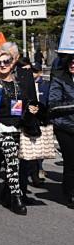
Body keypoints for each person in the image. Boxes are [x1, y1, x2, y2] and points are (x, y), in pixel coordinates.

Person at [0, 45, 39, 215]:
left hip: (17, 127)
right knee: (12, 158)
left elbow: (24, 105)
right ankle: (16, 198)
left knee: (15, 162)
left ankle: (7, 193)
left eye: (6, 61)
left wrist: (31, 111)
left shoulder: (19, 84)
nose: (3, 65)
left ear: (12, 63)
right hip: (0, 129)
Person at [47, 55, 74, 208]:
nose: (73, 64)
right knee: (71, 162)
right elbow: (53, 105)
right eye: (71, 60)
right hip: (65, 126)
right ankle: (70, 193)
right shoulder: (59, 78)